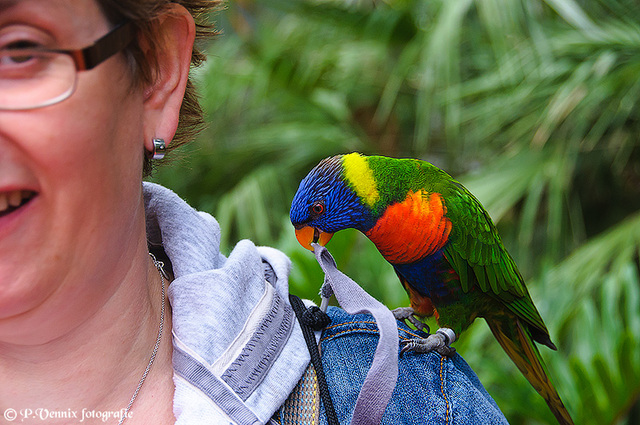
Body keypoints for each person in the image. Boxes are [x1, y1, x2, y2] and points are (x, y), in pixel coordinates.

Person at [0, 1, 510, 424]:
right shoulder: (381, 222)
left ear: (155, 71)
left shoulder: (406, 395)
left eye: (19, 51)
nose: (315, 235)